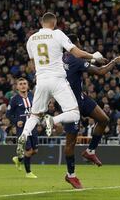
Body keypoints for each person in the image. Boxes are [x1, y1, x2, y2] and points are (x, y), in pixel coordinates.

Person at [16, 12, 106, 159]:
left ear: (41, 23)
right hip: (57, 79)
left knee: (34, 115)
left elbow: (32, 65)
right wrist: (93, 56)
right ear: (54, 23)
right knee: (74, 112)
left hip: (41, 80)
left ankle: (24, 135)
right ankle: (52, 120)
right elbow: (76, 52)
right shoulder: (57, 34)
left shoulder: (31, 40)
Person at [63, 33, 120, 189]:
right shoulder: (75, 60)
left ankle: (90, 151)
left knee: (103, 119)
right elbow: (101, 72)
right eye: (78, 46)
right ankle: (71, 175)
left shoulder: (64, 58)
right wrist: (114, 62)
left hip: (81, 98)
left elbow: (82, 62)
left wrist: (94, 59)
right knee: (71, 142)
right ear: (74, 45)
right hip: (71, 105)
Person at [7, 78, 37, 178]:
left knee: (35, 151)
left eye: (25, 83)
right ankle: (28, 173)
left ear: (28, 86)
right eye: (20, 84)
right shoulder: (14, 99)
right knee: (28, 150)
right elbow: (8, 114)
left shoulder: (32, 96)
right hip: (22, 128)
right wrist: (16, 121)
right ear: (17, 87)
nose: (23, 85)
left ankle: (18, 159)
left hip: (33, 126)